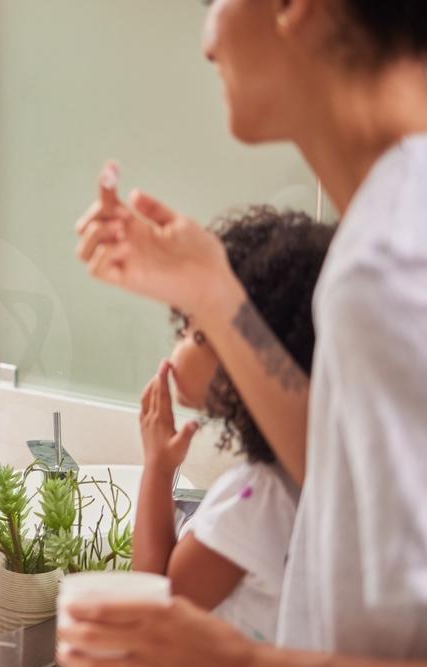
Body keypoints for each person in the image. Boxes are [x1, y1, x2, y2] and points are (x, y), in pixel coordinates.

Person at [64, 0, 427, 663]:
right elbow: (341, 466)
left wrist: (239, 657)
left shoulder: (391, 260)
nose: (207, 39)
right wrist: (212, 291)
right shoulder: (390, 228)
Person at [133, 209, 332, 643]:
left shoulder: (258, 498)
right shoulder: (309, 479)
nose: (177, 350)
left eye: (196, 334)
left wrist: (157, 467)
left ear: (247, 357)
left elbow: (152, 602)